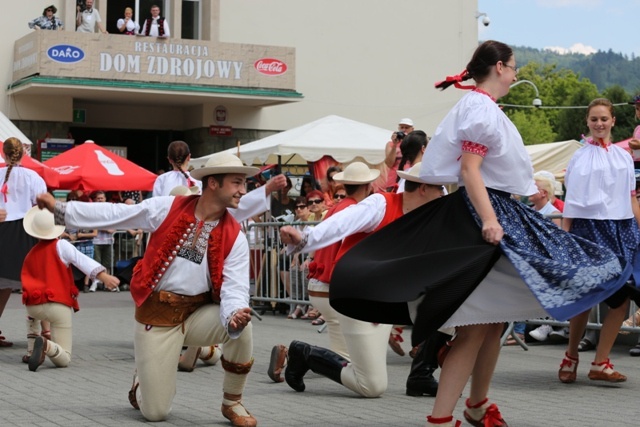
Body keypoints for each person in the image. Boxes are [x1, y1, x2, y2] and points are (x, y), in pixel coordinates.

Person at [327, 41, 632, 427]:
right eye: (514, 66)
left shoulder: (482, 107)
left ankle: (476, 405)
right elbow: (471, 170)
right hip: (486, 214)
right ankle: (442, 418)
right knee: (475, 328)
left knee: (492, 323)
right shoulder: (480, 109)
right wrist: (489, 220)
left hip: (495, 210)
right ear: (500, 67)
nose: (517, 73)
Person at [36, 152, 259, 426]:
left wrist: (235, 313)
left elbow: (235, 287)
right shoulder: (168, 207)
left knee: (242, 328)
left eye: (243, 184)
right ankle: (144, 379)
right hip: (158, 315)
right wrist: (63, 210)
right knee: (156, 413)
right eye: (237, 183)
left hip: (198, 314)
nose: (242, 190)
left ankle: (232, 402)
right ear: (213, 183)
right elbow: (119, 214)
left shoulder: (235, 235)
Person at [274, 162, 445, 399]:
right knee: (371, 386)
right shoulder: (381, 204)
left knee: (452, 311)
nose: (443, 195)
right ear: (424, 188)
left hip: (388, 301)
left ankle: (421, 374)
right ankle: (305, 355)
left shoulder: (428, 220)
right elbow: (341, 223)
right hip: (358, 298)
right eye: (440, 190)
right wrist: (305, 239)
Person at [558, 98, 640, 384]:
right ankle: (570, 356)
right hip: (588, 230)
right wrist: (566, 237)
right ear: (588, 122)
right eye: (594, 119)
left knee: (621, 297)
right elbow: (570, 202)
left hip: (621, 229)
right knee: (585, 295)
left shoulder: (623, 157)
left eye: (604, 118)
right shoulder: (579, 157)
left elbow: (631, 198)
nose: (599, 124)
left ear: (613, 121)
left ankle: (600, 362)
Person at [21, 207, 120, 372]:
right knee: (64, 358)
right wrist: (104, 277)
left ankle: (32, 350)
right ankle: (47, 346)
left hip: (33, 306)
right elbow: (82, 261)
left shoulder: (30, 254)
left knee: (32, 317)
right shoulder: (61, 246)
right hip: (57, 304)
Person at [0, 137, 47, 347]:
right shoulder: (33, 176)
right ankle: (45, 332)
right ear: (24, 154)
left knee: (2, 286)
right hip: (26, 231)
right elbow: (44, 206)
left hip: (2, 229)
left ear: (3, 153)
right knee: (35, 283)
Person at [384, 118, 415, 191]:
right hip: (393, 181)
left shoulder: (415, 143)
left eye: (407, 128)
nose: (404, 130)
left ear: (412, 129)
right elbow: (389, 164)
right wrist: (395, 145)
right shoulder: (390, 144)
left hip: (409, 180)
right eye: (402, 127)